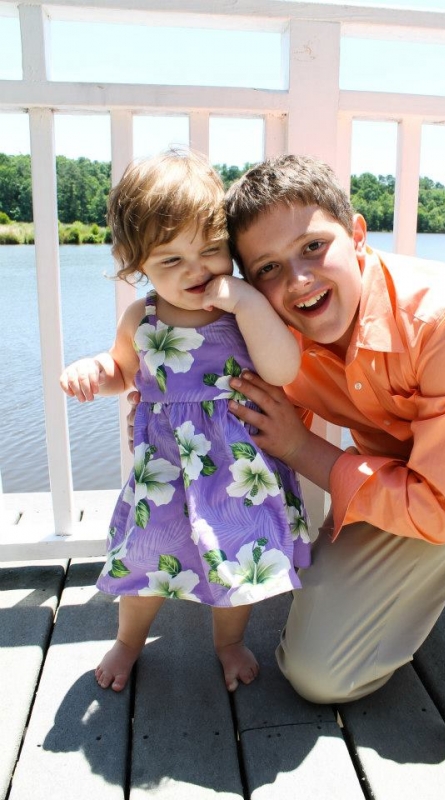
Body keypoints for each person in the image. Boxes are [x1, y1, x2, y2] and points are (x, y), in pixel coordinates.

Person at [215, 154, 445, 799]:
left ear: (357, 234)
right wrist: (157, 408)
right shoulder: (270, 341)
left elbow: (437, 507)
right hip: (404, 476)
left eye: (313, 246)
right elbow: (236, 440)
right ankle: (424, 582)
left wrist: (306, 449)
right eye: (268, 268)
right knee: (317, 675)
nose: (299, 280)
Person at [59, 149, 310, 695]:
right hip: (166, 470)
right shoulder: (142, 317)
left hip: (237, 469)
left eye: (211, 250)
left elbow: (282, 369)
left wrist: (247, 302)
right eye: (170, 260)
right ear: (138, 265)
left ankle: (228, 642)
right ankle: (129, 641)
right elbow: (123, 371)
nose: (196, 271)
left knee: (235, 557)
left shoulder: (244, 311)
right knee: (147, 554)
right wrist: (95, 372)